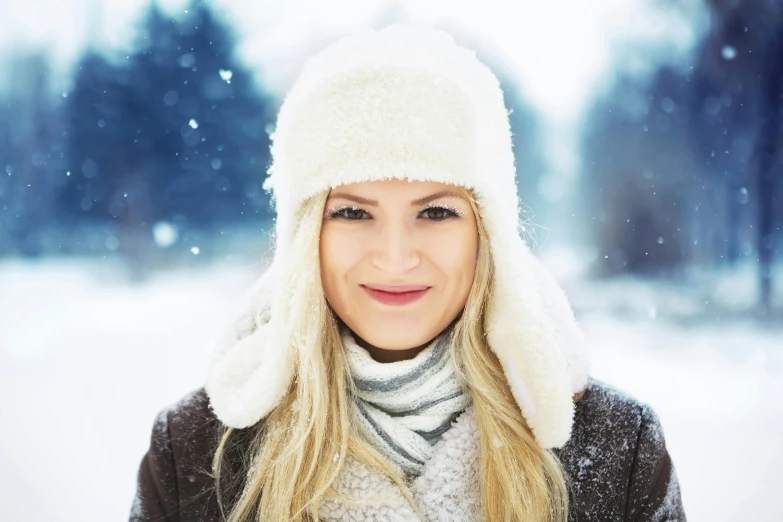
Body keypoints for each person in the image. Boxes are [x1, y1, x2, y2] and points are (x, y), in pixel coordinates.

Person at [129, 25, 685, 522]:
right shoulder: (196, 454)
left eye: (436, 212)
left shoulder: (616, 450)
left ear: (486, 233)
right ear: (305, 238)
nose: (395, 257)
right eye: (351, 212)